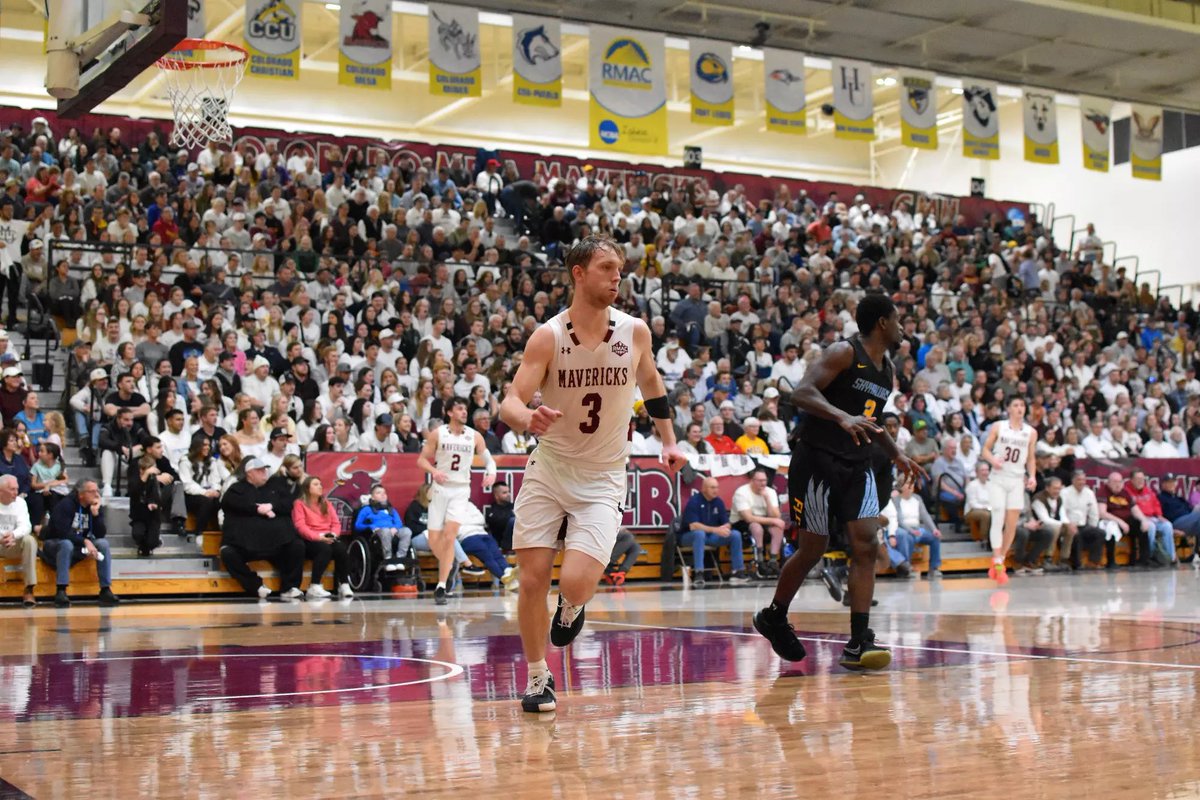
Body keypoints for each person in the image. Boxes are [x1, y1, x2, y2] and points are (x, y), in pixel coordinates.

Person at [498, 236, 686, 714]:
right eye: (606, 268)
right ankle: (539, 677)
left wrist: (668, 439)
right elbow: (510, 402)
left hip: (603, 476)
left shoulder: (636, 331)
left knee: (578, 580)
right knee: (532, 578)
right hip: (551, 470)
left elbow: (652, 384)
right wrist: (527, 419)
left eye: (619, 269)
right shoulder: (549, 336)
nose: (616, 277)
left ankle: (574, 606)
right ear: (578, 274)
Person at [754, 293, 922, 672]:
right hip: (817, 460)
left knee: (866, 542)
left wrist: (895, 452)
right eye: (897, 320)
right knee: (813, 548)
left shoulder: (887, 369)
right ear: (882, 322)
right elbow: (801, 393)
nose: (901, 327)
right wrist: (840, 416)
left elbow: (871, 419)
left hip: (857, 463)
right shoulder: (844, 353)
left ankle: (859, 640)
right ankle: (774, 616)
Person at [416, 396, 496, 605]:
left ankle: (441, 586)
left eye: (465, 409)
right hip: (441, 489)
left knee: (450, 536)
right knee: (435, 539)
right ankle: (449, 564)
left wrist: (492, 472)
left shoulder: (474, 436)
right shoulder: (438, 434)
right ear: (450, 412)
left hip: (460, 490)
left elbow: (488, 459)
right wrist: (434, 471)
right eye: (459, 409)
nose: (464, 412)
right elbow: (421, 460)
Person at [219, 457, 305, 599]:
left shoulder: (275, 487)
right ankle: (256, 586)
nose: (264, 472)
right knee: (228, 553)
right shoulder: (236, 489)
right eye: (260, 470)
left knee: (297, 545)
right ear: (249, 473)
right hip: (245, 543)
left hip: (275, 542)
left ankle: (289, 587)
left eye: (265, 469)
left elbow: (288, 503)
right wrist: (256, 509)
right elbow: (229, 503)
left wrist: (272, 506)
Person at [979, 396, 1038, 585]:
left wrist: (1033, 476)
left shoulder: (1031, 432)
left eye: (1022, 405)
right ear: (1009, 409)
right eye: (1016, 405)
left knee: (1012, 523)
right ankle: (996, 558)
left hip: (1016, 480)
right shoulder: (998, 427)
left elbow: (1031, 458)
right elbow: (985, 451)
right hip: (998, 478)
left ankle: (1000, 558)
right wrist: (993, 460)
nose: (1020, 408)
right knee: (998, 517)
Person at [41, 478, 119, 607]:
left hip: (79, 544)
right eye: (91, 491)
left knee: (103, 544)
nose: (96, 495)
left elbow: (100, 534)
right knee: (67, 544)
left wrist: (95, 514)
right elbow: (62, 533)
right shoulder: (65, 505)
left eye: (97, 491)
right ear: (81, 494)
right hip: (55, 543)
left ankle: (105, 589)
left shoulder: (93, 506)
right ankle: (61, 590)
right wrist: (85, 541)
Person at [292, 476, 353, 599]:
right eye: (315, 484)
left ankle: (344, 584)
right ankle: (314, 585)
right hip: (310, 539)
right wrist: (319, 537)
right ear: (307, 488)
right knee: (325, 549)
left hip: (328, 536)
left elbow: (336, 523)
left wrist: (333, 535)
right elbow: (300, 526)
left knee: (341, 549)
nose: (320, 486)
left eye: (320, 484)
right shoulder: (299, 504)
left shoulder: (326, 503)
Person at [683, 477, 750, 587]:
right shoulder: (694, 501)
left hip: (711, 536)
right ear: (704, 489)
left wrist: (725, 528)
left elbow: (726, 522)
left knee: (735, 534)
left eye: (717, 487)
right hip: (689, 536)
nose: (716, 490)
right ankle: (699, 573)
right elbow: (693, 525)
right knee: (699, 534)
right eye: (712, 487)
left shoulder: (718, 502)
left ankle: (737, 572)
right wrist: (716, 530)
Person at [731, 469, 786, 577]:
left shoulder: (770, 492)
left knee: (778, 528)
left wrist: (767, 499)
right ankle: (760, 561)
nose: (763, 483)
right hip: (742, 523)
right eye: (760, 481)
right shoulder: (741, 492)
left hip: (764, 519)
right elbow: (748, 518)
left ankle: (773, 561)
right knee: (756, 527)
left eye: (765, 480)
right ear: (752, 480)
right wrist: (773, 520)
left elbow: (776, 515)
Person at [354, 484, 413, 574]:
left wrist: (395, 528)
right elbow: (357, 525)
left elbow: (399, 523)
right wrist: (371, 526)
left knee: (407, 531)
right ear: (372, 497)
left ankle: (400, 558)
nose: (383, 494)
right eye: (378, 493)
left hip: (393, 531)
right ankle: (388, 558)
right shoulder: (366, 509)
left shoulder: (391, 509)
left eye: (384, 493)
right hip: (377, 533)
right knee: (385, 530)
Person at [1126, 468, 1178, 566]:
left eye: (1142, 478)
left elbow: (1156, 504)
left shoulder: (1148, 490)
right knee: (1151, 527)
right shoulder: (1127, 491)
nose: (1140, 481)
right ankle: (1151, 555)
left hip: (1153, 517)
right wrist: (1143, 519)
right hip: (1138, 519)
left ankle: (1170, 558)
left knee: (1167, 525)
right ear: (1131, 480)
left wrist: (1159, 515)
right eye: (1137, 479)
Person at [0, 475, 37, 607]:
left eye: (17, 489)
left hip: (13, 543)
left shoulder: (20, 503)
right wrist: (2, 538)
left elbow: (26, 526)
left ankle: (29, 589)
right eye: (12, 489)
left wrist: (13, 535)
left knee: (30, 540)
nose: (16, 492)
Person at [180, 437, 227, 536]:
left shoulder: (212, 461)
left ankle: (221, 531)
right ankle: (199, 532)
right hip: (191, 495)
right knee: (206, 502)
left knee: (223, 499)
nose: (207, 448)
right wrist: (205, 492)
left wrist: (216, 490)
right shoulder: (185, 461)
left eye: (208, 445)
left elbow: (215, 480)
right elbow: (187, 484)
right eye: (204, 445)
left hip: (209, 493)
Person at [963, 462, 992, 543]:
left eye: (986, 470)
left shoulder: (991, 484)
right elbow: (973, 504)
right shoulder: (972, 485)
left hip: (988, 509)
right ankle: (984, 539)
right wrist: (986, 508)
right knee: (986, 515)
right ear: (977, 472)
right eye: (982, 470)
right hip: (971, 511)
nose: (985, 472)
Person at [484, 481, 516, 551]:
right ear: (496, 496)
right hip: (502, 544)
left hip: (518, 541)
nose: (508, 494)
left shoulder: (515, 506)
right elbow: (499, 524)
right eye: (504, 493)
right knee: (513, 520)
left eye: (508, 492)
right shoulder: (492, 511)